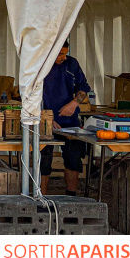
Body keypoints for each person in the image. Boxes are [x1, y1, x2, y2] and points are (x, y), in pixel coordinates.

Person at [40, 41, 90, 195]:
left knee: (73, 158)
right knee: (44, 160)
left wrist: (74, 103)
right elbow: (29, 94)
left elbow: (83, 87)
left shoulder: (72, 63)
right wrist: (45, 117)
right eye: (60, 54)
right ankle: (41, 197)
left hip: (70, 123)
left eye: (65, 53)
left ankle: (71, 196)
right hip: (45, 122)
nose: (63, 57)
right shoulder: (40, 66)